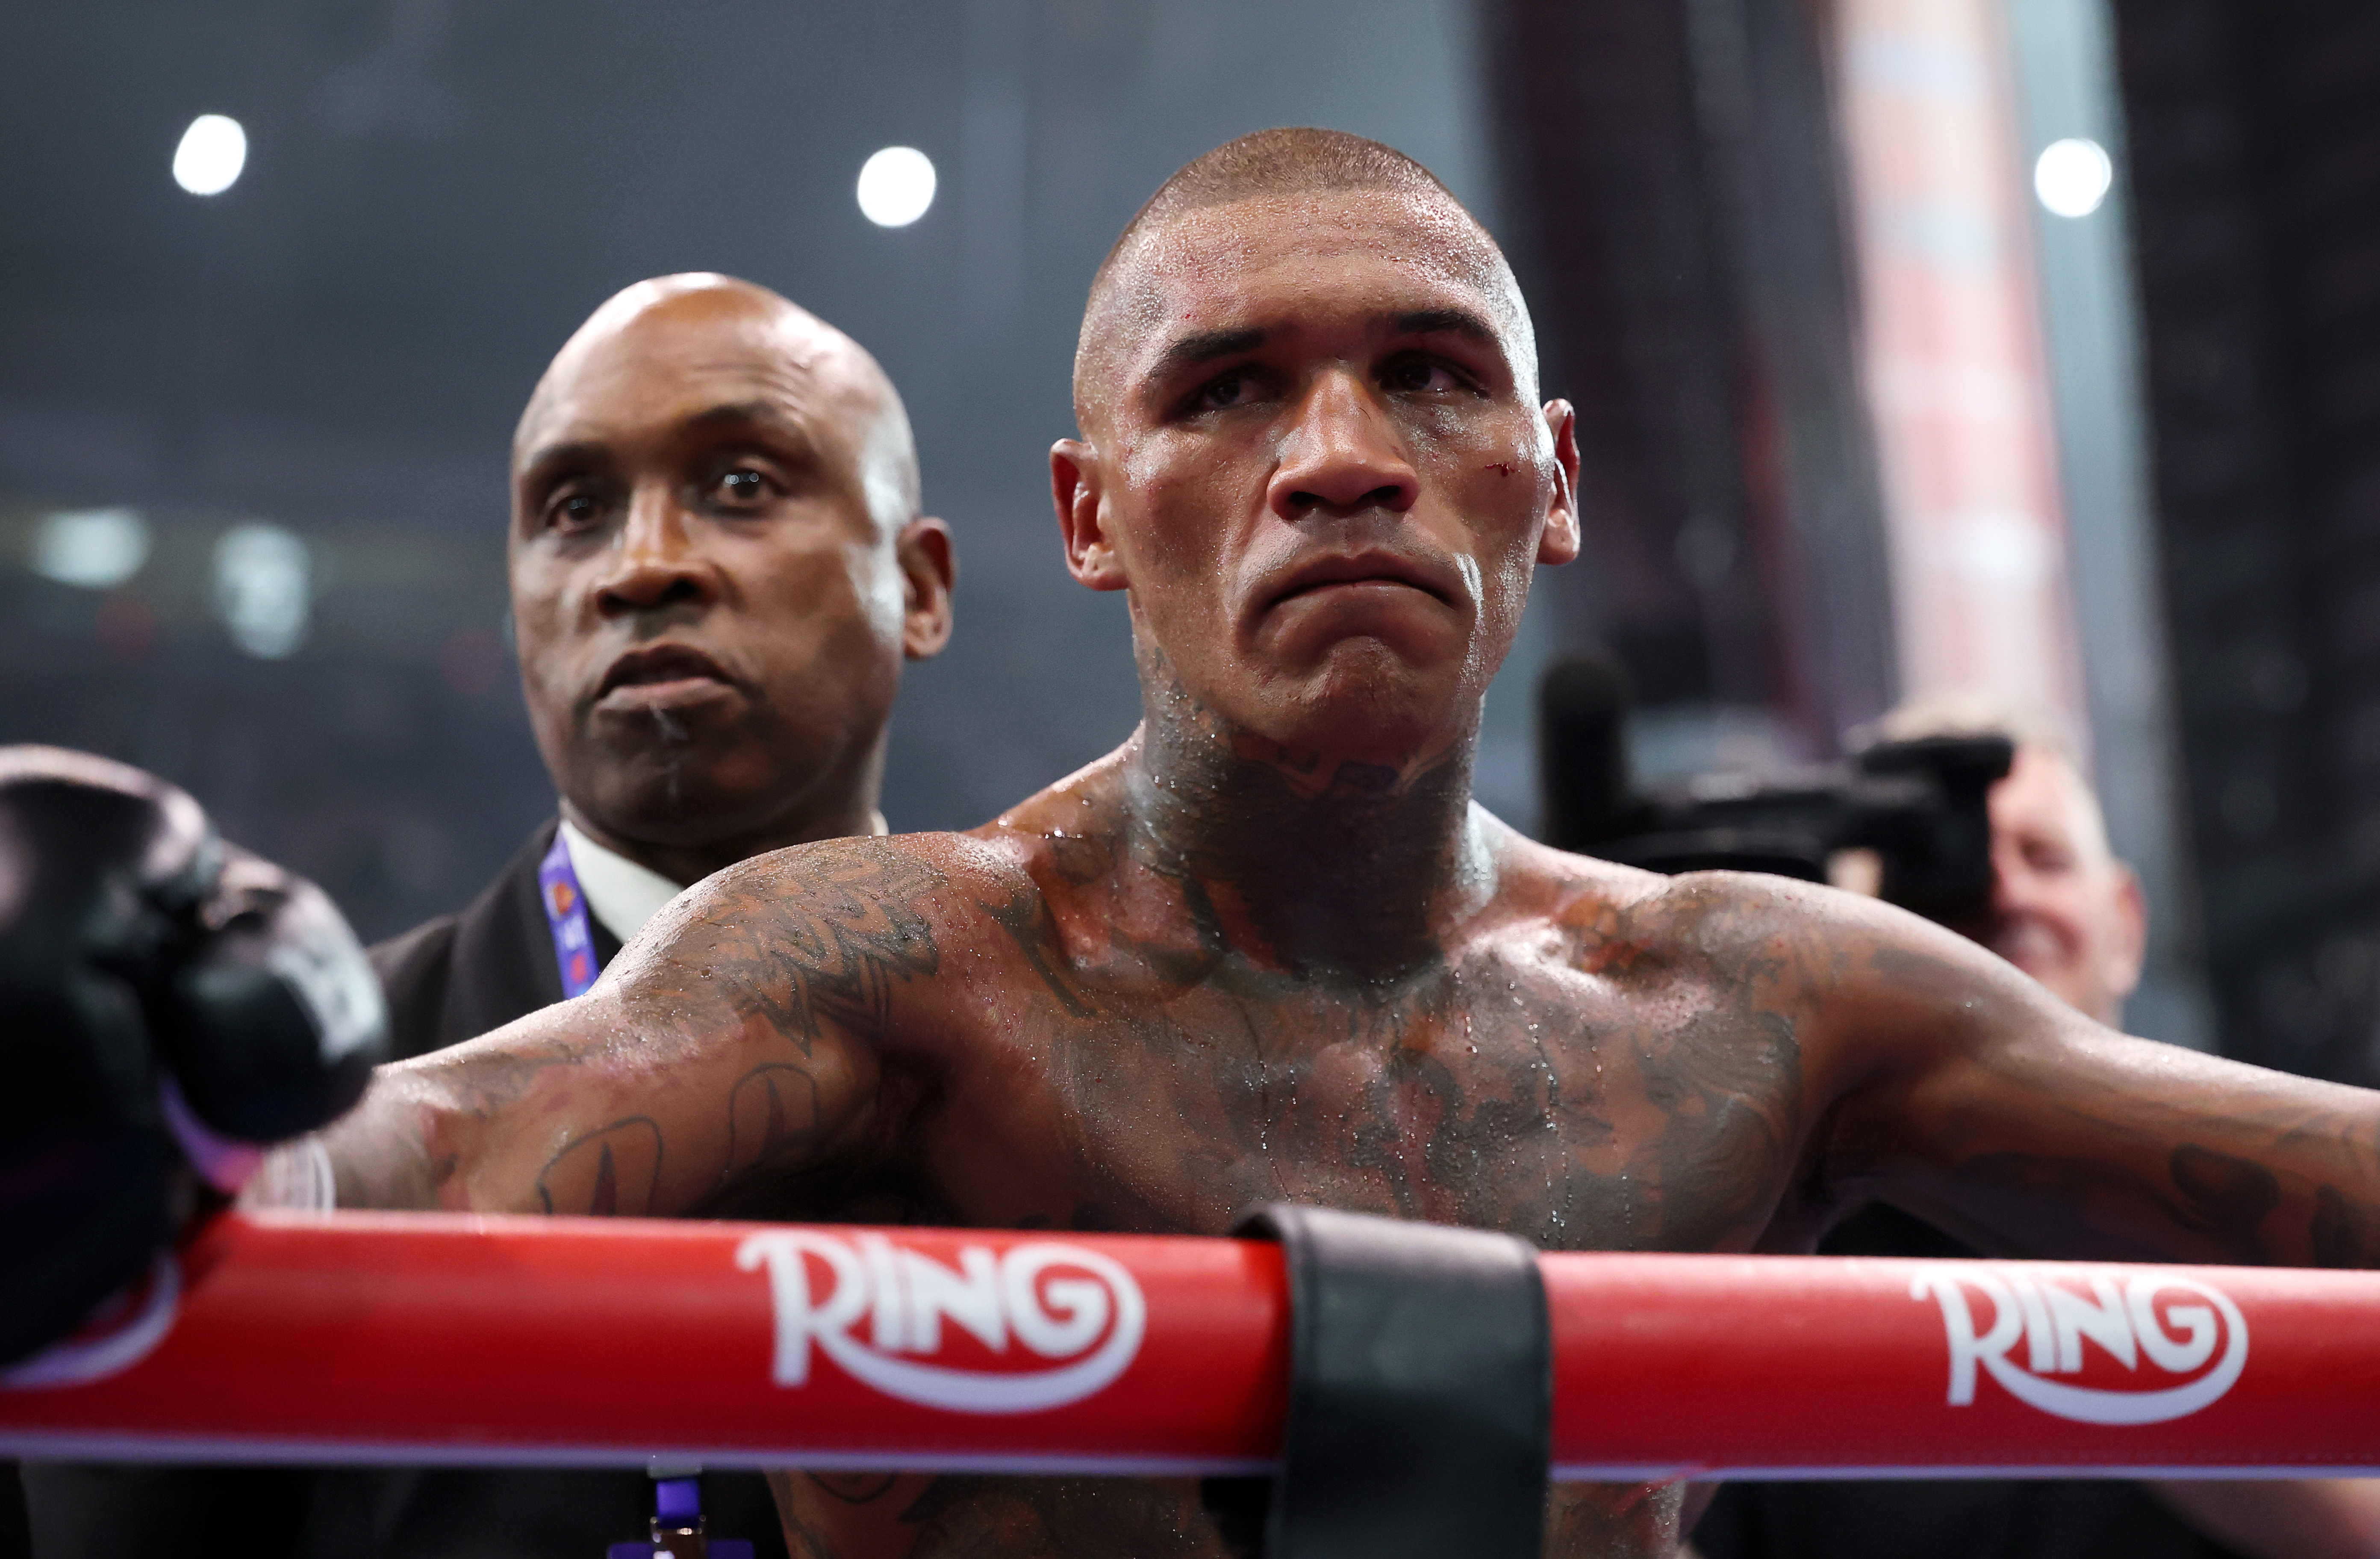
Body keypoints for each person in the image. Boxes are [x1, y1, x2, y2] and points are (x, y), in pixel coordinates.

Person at [16, 129, 2380, 1558]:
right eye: (1229, 390)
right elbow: (404, 1161)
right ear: (1082, 514)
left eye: (1427, 375)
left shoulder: (1763, 1000)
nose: (1339, 451)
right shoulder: (882, 967)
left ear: (1549, 478)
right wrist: (137, 1096)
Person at [16, 273, 957, 1559]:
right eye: (574, 512)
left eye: (742, 484)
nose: (645, 566)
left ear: (920, 586)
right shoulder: (284, 1106)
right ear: (515, 605)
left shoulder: (1084, 1070)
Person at [1692, 704, 2380, 1559]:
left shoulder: (2251, 1193)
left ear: (2126, 921)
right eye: (1944, 868)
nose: (2003, 891)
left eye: (2044, 857)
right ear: (1853, 929)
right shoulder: (1782, 1243)